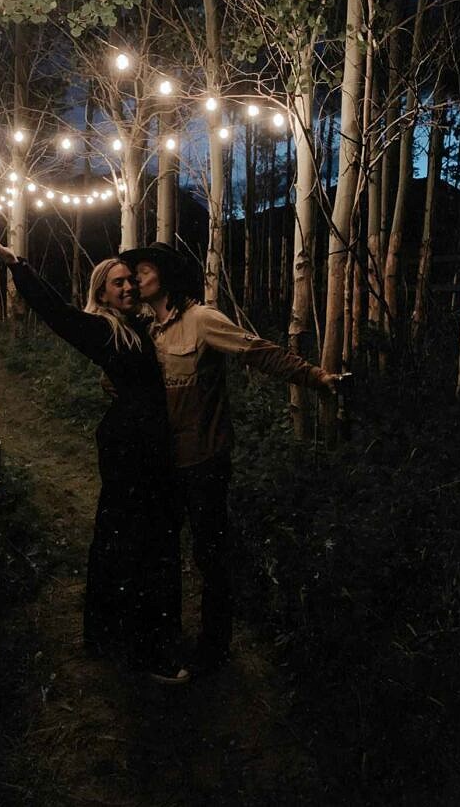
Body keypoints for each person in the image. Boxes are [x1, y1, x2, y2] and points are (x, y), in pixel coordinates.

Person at [0, 227, 188, 685]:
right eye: (118, 283)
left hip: (147, 444)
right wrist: (16, 264)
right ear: (102, 294)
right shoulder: (102, 329)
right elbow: (55, 312)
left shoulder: (138, 327)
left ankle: (109, 633)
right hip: (130, 447)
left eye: (130, 280)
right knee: (138, 541)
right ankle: (143, 649)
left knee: (128, 536)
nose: (128, 287)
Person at [119, 242, 339, 676]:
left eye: (142, 270)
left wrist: (314, 376)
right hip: (163, 464)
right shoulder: (147, 330)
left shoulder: (202, 320)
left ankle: (214, 646)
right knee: (163, 553)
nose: (136, 279)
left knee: (210, 555)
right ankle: (169, 637)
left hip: (203, 461)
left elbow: (256, 351)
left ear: (165, 275)